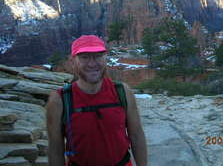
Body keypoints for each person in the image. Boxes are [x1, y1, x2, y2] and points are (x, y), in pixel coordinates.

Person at [46, 35, 148, 166]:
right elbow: (55, 149)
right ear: (72, 61)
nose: (92, 63)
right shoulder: (59, 100)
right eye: (84, 57)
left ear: (105, 58)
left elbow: (136, 135)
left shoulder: (123, 92)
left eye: (98, 56)